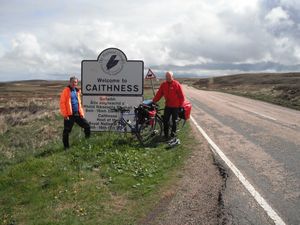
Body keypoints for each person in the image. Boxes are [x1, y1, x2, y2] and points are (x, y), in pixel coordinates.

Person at [60, 76, 90, 149]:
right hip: (69, 115)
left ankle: (87, 141)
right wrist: (65, 114)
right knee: (66, 132)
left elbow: (79, 103)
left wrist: (82, 113)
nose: (74, 83)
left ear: (77, 83)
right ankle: (66, 148)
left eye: (75, 82)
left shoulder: (77, 91)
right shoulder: (66, 91)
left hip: (77, 114)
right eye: (73, 82)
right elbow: (62, 103)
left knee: (87, 126)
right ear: (70, 82)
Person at [152, 71, 185, 141]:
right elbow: (159, 94)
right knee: (165, 121)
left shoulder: (176, 84)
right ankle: (166, 135)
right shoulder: (163, 85)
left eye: (169, 77)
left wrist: (181, 106)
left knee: (174, 121)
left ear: (172, 77)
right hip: (168, 106)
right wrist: (154, 101)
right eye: (166, 77)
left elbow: (181, 96)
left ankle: (173, 135)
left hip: (176, 106)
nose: (167, 78)